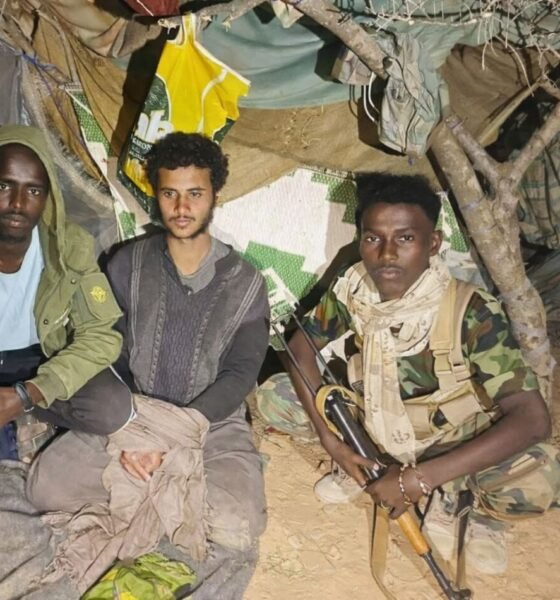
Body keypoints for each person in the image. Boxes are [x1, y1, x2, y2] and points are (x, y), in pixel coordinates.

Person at [27, 132, 270, 599]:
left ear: (215, 195)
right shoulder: (127, 263)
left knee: (238, 527)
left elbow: (240, 374)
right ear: (155, 195)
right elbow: (108, 352)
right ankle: (158, 482)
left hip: (210, 422)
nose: (182, 207)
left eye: (195, 193)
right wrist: (133, 434)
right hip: (131, 413)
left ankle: (174, 479)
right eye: (169, 193)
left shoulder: (245, 282)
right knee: (45, 489)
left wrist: (171, 438)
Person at [287, 172, 560, 575]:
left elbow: (532, 418)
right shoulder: (355, 286)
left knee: (540, 477)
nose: (386, 254)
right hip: (374, 421)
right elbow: (300, 349)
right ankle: (367, 465)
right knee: (278, 396)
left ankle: (468, 503)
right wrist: (334, 442)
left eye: (405, 238)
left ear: (433, 243)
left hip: (448, 435)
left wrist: (416, 480)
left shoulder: (470, 310)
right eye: (373, 238)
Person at [0, 124, 133, 462]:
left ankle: (22, 413)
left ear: (47, 197)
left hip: (41, 362)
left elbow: (101, 335)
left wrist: (30, 392)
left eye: (33, 190)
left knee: (111, 407)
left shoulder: (69, 246)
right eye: (4, 186)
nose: (17, 204)